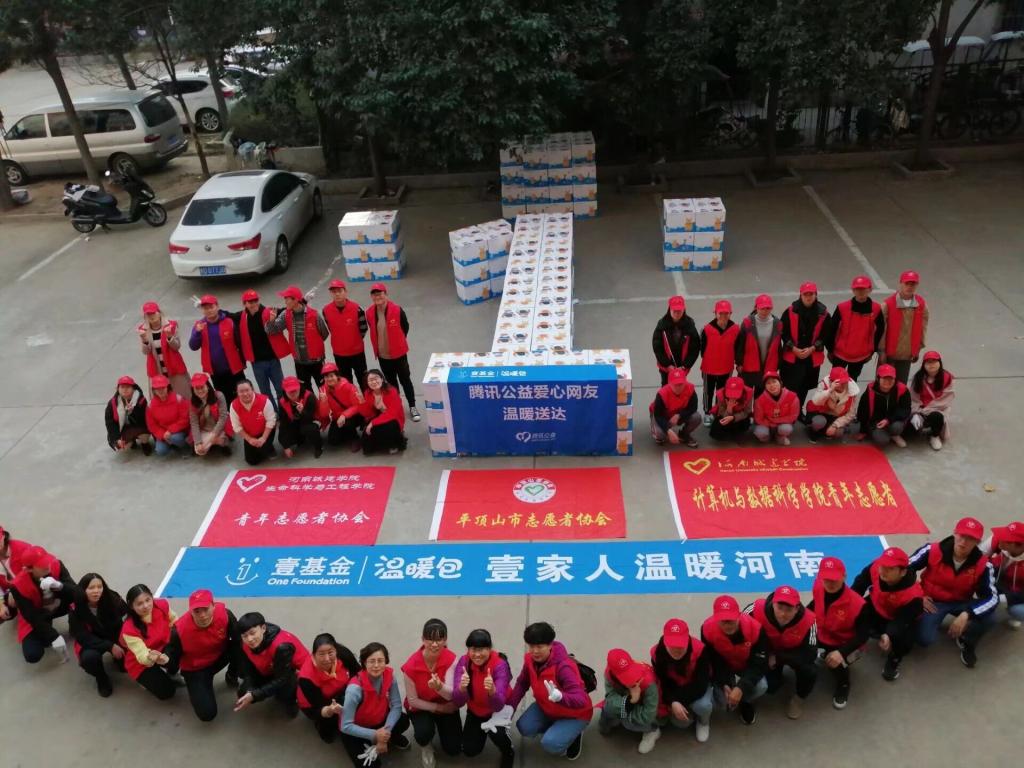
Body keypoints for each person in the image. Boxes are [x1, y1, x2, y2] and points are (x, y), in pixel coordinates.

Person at [908, 517, 998, 668]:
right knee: (924, 639)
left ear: (977, 542)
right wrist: (918, 595)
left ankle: (967, 641)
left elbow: (992, 598)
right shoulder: (932, 550)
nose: (964, 542)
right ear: (955, 533)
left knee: (990, 618)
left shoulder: (984, 565)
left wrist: (968, 613)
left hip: (961, 602)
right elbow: (905, 569)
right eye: (962, 535)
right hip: (933, 602)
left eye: (971, 539)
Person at [507, 622, 593, 761]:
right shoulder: (529, 660)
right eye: (531, 646)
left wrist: (561, 697)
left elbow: (581, 699)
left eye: (540, 646)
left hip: (574, 714)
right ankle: (560, 730)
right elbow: (522, 683)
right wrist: (509, 708)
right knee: (524, 727)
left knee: (551, 744)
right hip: (547, 707)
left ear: (550, 645)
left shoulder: (564, 667)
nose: (535, 651)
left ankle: (574, 734)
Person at [850, 546, 924, 681]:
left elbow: (901, 621)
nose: (883, 571)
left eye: (890, 568)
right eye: (882, 566)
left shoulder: (913, 596)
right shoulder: (875, 568)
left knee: (903, 642)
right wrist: (848, 605)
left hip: (897, 617)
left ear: (903, 572)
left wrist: (889, 634)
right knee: (853, 615)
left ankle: (894, 659)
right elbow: (859, 584)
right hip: (877, 605)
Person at [166, 589, 240, 722]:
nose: (203, 615)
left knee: (241, 648)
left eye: (206, 609)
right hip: (195, 670)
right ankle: (199, 686)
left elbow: (238, 639)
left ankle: (232, 674)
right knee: (207, 714)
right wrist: (165, 662)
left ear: (213, 606)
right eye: (197, 611)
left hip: (219, 657)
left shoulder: (225, 615)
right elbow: (173, 659)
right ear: (190, 611)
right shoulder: (179, 632)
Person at [806, 557, 869, 709]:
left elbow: (863, 635)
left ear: (844, 576)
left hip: (844, 642)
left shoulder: (858, 604)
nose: (830, 583)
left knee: (835, 663)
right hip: (822, 633)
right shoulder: (818, 586)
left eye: (834, 579)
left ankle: (844, 684)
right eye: (826, 579)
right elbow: (814, 604)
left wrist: (841, 652)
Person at [747, 586, 817, 720]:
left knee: (810, 671)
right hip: (767, 653)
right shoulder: (754, 609)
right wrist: (764, 655)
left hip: (792, 654)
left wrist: (779, 658)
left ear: (797, 608)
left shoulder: (809, 620)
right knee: (771, 687)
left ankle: (798, 698)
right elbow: (742, 629)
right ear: (773, 604)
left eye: (789, 610)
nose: (783, 614)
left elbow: (811, 654)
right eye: (779, 608)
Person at [340, 642, 412, 768]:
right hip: (357, 729)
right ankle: (376, 740)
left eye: (380, 660)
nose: (376, 665)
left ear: (386, 661)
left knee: (403, 720)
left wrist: (384, 734)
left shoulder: (389, 676)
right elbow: (345, 726)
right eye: (372, 661)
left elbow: (396, 706)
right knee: (372, 766)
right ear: (364, 663)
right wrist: (375, 735)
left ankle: (389, 738)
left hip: (381, 721)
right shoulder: (354, 690)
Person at [700, 595, 768, 725]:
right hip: (724, 666)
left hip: (747, 665)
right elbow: (712, 659)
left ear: (739, 615)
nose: (728, 625)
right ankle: (731, 691)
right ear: (715, 619)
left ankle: (745, 701)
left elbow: (759, 663)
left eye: (731, 620)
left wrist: (741, 688)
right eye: (723, 621)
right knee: (722, 702)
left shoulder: (756, 629)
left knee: (762, 686)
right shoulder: (707, 629)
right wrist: (724, 682)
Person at [451, 629, 515, 768]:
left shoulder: (500, 665)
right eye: (473, 649)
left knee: (498, 735)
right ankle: (483, 730)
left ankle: (508, 751)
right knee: (469, 750)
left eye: (482, 649)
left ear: (490, 648)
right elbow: (457, 702)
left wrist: (492, 691)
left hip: (498, 710)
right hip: (475, 710)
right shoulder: (464, 662)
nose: (477, 654)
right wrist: (462, 688)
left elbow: (498, 705)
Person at [402, 618, 461, 767]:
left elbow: (450, 695)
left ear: (445, 639)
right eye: (430, 639)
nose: (434, 644)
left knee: (453, 749)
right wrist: (440, 708)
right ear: (423, 639)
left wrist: (439, 687)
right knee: (423, 733)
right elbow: (413, 700)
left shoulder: (452, 659)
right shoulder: (410, 666)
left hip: (446, 703)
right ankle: (426, 746)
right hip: (422, 707)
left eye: (439, 639)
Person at [234, 612, 309, 718]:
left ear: (263, 628)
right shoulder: (245, 644)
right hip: (271, 668)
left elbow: (282, 678)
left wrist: (255, 695)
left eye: (252, 633)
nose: (249, 639)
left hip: (292, 671)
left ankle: (292, 700)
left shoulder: (282, 647)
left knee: (284, 692)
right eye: (245, 636)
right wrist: (250, 689)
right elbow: (248, 668)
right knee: (243, 692)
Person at [649, 618, 712, 743]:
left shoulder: (700, 650)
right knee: (681, 724)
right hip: (676, 689)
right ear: (665, 642)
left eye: (680, 644)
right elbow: (662, 681)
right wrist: (672, 701)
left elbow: (700, 684)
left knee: (703, 706)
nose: (677, 649)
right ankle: (690, 715)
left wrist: (675, 700)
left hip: (696, 687)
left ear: (688, 640)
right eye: (672, 645)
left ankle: (703, 722)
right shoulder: (656, 654)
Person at [9, 545, 75, 664]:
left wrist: (60, 586)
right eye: (42, 564)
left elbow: (76, 592)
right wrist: (53, 636)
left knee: (80, 601)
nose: (47, 565)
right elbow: (31, 616)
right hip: (38, 613)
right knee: (32, 654)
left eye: (47, 560)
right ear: (28, 569)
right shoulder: (17, 586)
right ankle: (45, 635)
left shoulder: (56, 565)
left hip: (58, 604)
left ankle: (76, 625)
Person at [366, 284, 420, 422]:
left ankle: (412, 406)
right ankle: (397, 406)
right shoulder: (369, 312)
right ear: (371, 297)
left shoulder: (397, 310)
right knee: (391, 384)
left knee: (405, 380)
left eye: (380, 293)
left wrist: (398, 342)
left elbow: (405, 327)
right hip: (383, 356)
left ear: (386, 294)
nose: (377, 297)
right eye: (374, 294)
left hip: (399, 354)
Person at [69, 572, 127, 697]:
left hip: (113, 634)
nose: (96, 591)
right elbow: (82, 636)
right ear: (83, 590)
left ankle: (118, 659)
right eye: (91, 588)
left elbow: (127, 616)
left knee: (125, 665)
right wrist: (110, 646)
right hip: (91, 640)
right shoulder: (76, 608)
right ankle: (102, 678)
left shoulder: (113, 598)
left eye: (99, 587)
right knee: (89, 659)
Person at [298, 633, 361, 744]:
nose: (327, 659)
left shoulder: (343, 654)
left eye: (330, 653)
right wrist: (329, 710)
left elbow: (358, 671)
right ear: (314, 655)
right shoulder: (306, 678)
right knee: (328, 719)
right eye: (321, 654)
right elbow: (319, 706)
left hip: (342, 691)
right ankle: (324, 731)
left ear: (336, 650)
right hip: (318, 704)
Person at [120, 583, 180, 700]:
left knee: (180, 646)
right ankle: (147, 680)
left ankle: (172, 672)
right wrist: (152, 657)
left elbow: (174, 620)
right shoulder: (129, 629)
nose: (146, 606)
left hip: (163, 646)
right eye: (139, 604)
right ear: (131, 606)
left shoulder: (161, 605)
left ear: (152, 597)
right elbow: (141, 655)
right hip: (141, 663)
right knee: (168, 693)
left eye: (148, 600)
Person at [265, 285, 329, 393]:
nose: (285, 302)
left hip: (317, 361)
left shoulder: (314, 315)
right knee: (306, 392)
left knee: (324, 389)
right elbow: (271, 331)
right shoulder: (286, 314)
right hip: (299, 362)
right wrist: (271, 321)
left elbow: (324, 334)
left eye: (287, 299)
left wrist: (314, 344)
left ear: (295, 300)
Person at [780, 282, 830, 417]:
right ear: (800, 295)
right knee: (789, 386)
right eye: (805, 294)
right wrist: (793, 348)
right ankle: (786, 410)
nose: (808, 297)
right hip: (792, 356)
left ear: (816, 295)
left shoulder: (824, 314)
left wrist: (813, 348)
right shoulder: (790, 311)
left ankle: (798, 411)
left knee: (804, 386)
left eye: (811, 294)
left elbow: (826, 335)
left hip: (811, 357)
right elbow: (783, 333)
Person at [599, 648, 661, 754]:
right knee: (607, 710)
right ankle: (617, 719)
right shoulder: (609, 673)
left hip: (647, 707)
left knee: (627, 722)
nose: (631, 680)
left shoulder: (648, 683)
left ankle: (653, 730)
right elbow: (610, 696)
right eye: (624, 676)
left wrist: (625, 714)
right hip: (628, 700)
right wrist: (631, 701)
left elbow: (649, 714)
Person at [188, 295, 245, 404]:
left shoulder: (229, 322)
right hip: (215, 372)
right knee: (224, 399)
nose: (209, 310)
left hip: (234, 369)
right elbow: (193, 346)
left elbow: (240, 342)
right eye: (205, 308)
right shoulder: (199, 325)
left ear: (217, 306)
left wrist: (243, 361)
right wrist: (197, 333)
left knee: (242, 395)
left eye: (211, 307)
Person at [236, 288, 289, 401]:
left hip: (273, 361)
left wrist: (303, 301)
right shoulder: (241, 317)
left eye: (255, 300)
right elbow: (225, 315)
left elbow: (288, 309)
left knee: (281, 390)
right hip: (257, 363)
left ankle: (283, 411)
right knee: (265, 393)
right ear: (244, 304)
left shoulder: (269, 311)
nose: (254, 304)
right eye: (250, 302)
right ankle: (272, 411)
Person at [827, 275, 884, 381]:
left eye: (864, 289)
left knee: (852, 382)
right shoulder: (842, 308)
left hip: (860, 356)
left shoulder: (876, 309)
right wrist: (830, 349)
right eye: (857, 289)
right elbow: (831, 330)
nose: (860, 291)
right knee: (835, 381)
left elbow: (880, 330)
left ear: (870, 289)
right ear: (853, 290)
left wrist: (872, 350)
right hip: (840, 354)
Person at [879, 270, 928, 383]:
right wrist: (881, 351)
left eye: (913, 284)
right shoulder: (887, 305)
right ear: (900, 283)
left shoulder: (921, 305)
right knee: (884, 383)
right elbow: (881, 331)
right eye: (907, 283)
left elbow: (923, 328)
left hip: (906, 354)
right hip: (889, 354)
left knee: (901, 384)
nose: (910, 287)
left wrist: (918, 348)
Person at [138, 301, 190, 399]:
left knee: (182, 396)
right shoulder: (143, 330)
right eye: (148, 314)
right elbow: (146, 352)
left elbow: (176, 347)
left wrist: (170, 337)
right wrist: (144, 340)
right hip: (156, 369)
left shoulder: (171, 325)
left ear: (159, 313)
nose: (151, 316)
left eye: (153, 313)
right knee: (161, 399)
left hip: (174, 367)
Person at [699, 300, 739, 424]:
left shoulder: (735, 329)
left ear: (731, 313)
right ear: (715, 313)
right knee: (708, 392)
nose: (723, 316)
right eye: (720, 313)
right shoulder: (706, 329)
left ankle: (717, 411)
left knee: (721, 393)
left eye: (726, 313)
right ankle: (707, 412)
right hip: (709, 368)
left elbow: (738, 348)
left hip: (726, 368)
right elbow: (702, 349)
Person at [905, 350, 954, 451]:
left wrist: (927, 409)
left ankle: (934, 436)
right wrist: (916, 413)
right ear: (924, 365)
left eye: (934, 361)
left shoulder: (947, 378)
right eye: (928, 362)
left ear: (940, 363)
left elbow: (946, 399)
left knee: (937, 417)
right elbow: (913, 398)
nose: (931, 365)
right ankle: (920, 426)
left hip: (937, 409)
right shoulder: (918, 378)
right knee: (908, 431)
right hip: (920, 410)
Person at [323, 279, 369, 386]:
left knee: (363, 380)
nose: (337, 294)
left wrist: (354, 340)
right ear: (331, 293)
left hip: (357, 352)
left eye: (339, 291)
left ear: (345, 291)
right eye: (334, 292)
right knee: (345, 382)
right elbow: (331, 328)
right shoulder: (326, 310)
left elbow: (363, 328)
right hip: (339, 353)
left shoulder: (357, 309)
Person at [854, 364, 910, 448]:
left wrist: (888, 420)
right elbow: (862, 410)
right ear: (878, 378)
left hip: (893, 420)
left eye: (891, 378)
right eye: (884, 378)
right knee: (882, 441)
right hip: (876, 422)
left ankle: (894, 435)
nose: (888, 381)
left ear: (895, 379)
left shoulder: (902, 389)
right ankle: (883, 433)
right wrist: (863, 430)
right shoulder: (870, 389)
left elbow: (905, 409)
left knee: (897, 427)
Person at [735, 294, 782, 390]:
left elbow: (778, 346)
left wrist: (778, 364)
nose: (765, 311)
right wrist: (739, 363)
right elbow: (740, 345)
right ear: (756, 308)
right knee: (747, 394)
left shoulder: (777, 324)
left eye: (768, 308)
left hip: (768, 367)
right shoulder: (747, 323)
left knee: (763, 396)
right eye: (762, 308)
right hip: (749, 367)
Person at [652, 295, 700, 386]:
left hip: (682, 368)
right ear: (669, 309)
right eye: (674, 310)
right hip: (666, 368)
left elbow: (695, 349)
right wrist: (667, 365)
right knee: (666, 387)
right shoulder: (662, 325)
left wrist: (685, 366)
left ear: (684, 310)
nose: (677, 313)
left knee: (680, 388)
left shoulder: (690, 326)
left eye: (679, 310)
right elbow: (657, 348)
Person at [984, 521, 1024, 629]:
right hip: (998, 581)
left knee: (1019, 610)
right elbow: (978, 556)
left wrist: (1007, 598)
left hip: (1016, 590)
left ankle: (1015, 615)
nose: (999, 538)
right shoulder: (996, 541)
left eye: (1005, 538)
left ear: (1016, 545)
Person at [359, 369, 408, 455]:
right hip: (379, 416)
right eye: (370, 380)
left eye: (376, 378)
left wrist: (373, 423)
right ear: (367, 383)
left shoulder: (392, 391)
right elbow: (368, 413)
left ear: (382, 379)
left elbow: (392, 413)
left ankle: (395, 442)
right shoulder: (367, 393)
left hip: (394, 419)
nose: (374, 382)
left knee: (388, 427)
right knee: (366, 440)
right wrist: (362, 403)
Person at [648, 368, 701, 448]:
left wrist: (679, 415)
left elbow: (693, 407)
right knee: (660, 435)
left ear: (685, 382)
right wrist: (668, 431)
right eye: (675, 384)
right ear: (669, 384)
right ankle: (657, 428)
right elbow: (658, 415)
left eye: (681, 384)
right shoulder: (662, 394)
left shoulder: (690, 389)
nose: (678, 387)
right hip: (662, 415)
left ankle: (684, 434)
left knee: (696, 417)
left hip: (678, 413)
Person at [230, 379, 278, 465]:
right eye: (241, 391)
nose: (245, 394)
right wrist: (249, 439)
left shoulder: (264, 401)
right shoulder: (233, 406)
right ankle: (262, 449)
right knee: (251, 461)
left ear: (252, 389)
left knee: (264, 448)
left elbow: (271, 421)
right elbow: (236, 426)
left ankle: (269, 447)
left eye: (247, 390)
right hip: (250, 434)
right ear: (237, 393)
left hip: (265, 431)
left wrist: (263, 438)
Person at [806, 367, 859, 443]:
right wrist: (830, 390)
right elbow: (816, 401)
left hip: (836, 417)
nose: (843, 384)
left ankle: (827, 430)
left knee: (838, 432)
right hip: (820, 413)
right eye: (840, 382)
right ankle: (813, 431)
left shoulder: (852, 391)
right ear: (832, 381)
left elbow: (851, 414)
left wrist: (835, 425)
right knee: (819, 422)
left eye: (845, 381)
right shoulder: (824, 384)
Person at [319, 363, 365, 450]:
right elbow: (324, 414)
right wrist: (324, 402)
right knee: (333, 441)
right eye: (326, 377)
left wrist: (344, 415)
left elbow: (357, 406)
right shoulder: (323, 390)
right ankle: (346, 433)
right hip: (337, 417)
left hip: (353, 416)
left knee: (348, 422)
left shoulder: (349, 387)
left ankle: (354, 438)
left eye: (331, 376)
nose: (329, 379)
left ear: (337, 376)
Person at [277, 375, 323, 459]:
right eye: (290, 391)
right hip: (295, 423)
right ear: (284, 391)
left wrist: (302, 411)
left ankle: (318, 447)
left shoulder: (309, 396)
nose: (293, 393)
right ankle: (300, 439)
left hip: (311, 421)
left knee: (309, 429)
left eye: (295, 390)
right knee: (283, 437)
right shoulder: (282, 401)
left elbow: (312, 417)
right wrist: (286, 447)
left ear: (299, 387)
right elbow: (283, 423)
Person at [104, 375, 152, 455]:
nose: (125, 390)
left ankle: (145, 444)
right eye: (122, 387)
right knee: (122, 447)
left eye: (128, 387)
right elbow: (110, 423)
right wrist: (117, 439)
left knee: (145, 436)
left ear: (133, 388)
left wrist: (133, 411)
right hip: (124, 429)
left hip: (138, 427)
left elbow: (145, 420)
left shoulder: (141, 400)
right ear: (118, 389)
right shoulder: (112, 404)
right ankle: (132, 441)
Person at [145, 375, 190, 457]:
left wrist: (170, 431)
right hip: (164, 433)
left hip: (180, 430)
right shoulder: (151, 405)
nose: (160, 391)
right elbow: (152, 425)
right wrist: (162, 435)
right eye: (157, 389)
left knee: (175, 438)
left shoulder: (178, 399)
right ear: (153, 390)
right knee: (160, 451)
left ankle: (185, 447)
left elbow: (185, 419)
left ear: (167, 387)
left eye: (163, 387)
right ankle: (174, 445)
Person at [189, 372, 232, 457]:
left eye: (202, 387)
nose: (200, 391)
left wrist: (214, 434)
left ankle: (221, 441)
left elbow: (223, 417)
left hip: (219, 427)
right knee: (200, 451)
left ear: (208, 386)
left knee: (218, 440)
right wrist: (198, 442)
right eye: (197, 388)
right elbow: (194, 423)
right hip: (204, 428)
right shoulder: (193, 402)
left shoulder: (219, 396)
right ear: (193, 390)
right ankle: (213, 442)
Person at [752, 370, 799, 445]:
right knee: (760, 433)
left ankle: (779, 436)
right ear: (765, 387)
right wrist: (772, 424)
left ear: (780, 383)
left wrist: (775, 421)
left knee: (786, 428)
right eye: (768, 383)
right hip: (767, 425)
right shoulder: (759, 400)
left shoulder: (792, 397)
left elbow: (793, 416)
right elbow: (758, 419)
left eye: (774, 381)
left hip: (781, 424)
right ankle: (767, 437)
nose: (772, 385)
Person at [0, 525, 33, 626]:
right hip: (11, 593)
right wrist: (1, 604)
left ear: (3, 537)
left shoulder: (23, 549)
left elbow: (37, 573)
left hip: (33, 590)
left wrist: (15, 592)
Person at [708, 376, 753, 442]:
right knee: (715, 432)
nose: (733, 396)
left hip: (740, 417)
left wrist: (733, 417)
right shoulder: (720, 393)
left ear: (742, 390)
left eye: (736, 393)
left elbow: (747, 411)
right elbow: (721, 412)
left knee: (741, 434)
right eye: (730, 392)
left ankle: (735, 433)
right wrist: (729, 409)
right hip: (725, 415)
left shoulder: (748, 393)